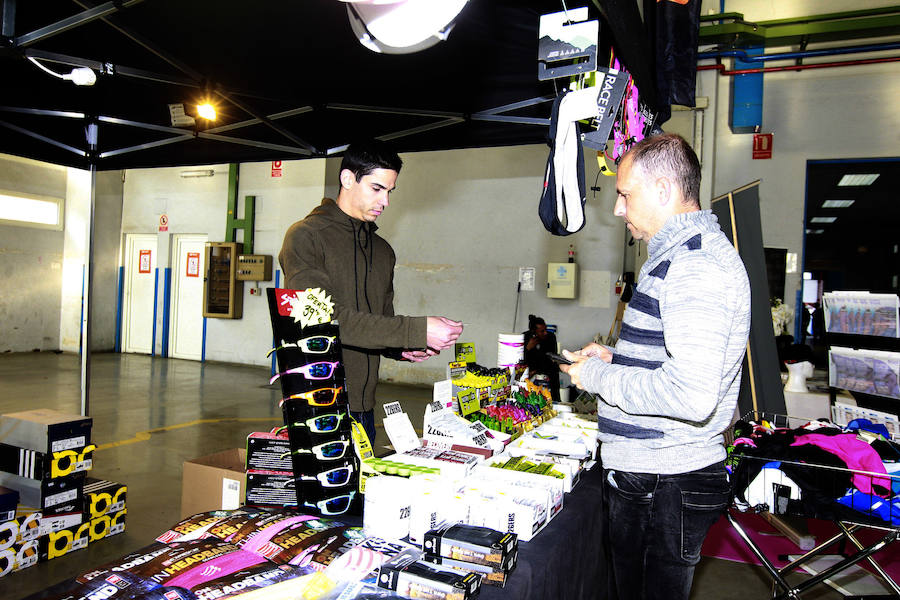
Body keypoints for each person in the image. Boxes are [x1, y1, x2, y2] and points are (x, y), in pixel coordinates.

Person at [560, 133, 751, 600]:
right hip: (655, 475)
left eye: (625, 195)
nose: (619, 209)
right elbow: (673, 360)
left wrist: (599, 377)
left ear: (664, 191)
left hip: (663, 481)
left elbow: (691, 394)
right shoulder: (676, 257)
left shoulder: (696, 266)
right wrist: (618, 358)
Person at [278, 139, 463, 446]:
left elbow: (378, 321)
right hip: (319, 407)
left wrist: (399, 348)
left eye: (390, 191)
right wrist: (416, 329)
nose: (386, 201)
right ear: (348, 178)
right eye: (377, 189)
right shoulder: (306, 237)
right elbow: (321, 321)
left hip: (366, 411)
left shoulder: (382, 252)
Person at [523, 314, 561, 403]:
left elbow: (551, 358)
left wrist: (536, 371)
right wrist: (527, 348)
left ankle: (556, 401)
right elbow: (519, 359)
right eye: (542, 331)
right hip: (530, 375)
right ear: (533, 332)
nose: (545, 333)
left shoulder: (551, 337)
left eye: (545, 330)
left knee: (552, 398)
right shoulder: (524, 338)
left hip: (548, 373)